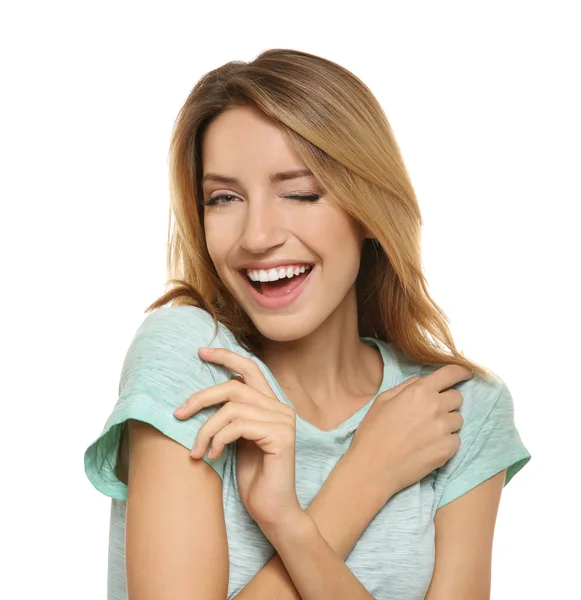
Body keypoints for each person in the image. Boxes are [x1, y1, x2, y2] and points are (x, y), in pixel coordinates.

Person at [84, 48, 532, 600]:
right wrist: (362, 479)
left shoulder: (459, 409)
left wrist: (292, 526)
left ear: (368, 206)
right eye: (223, 198)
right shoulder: (191, 359)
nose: (256, 236)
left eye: (299, 193)